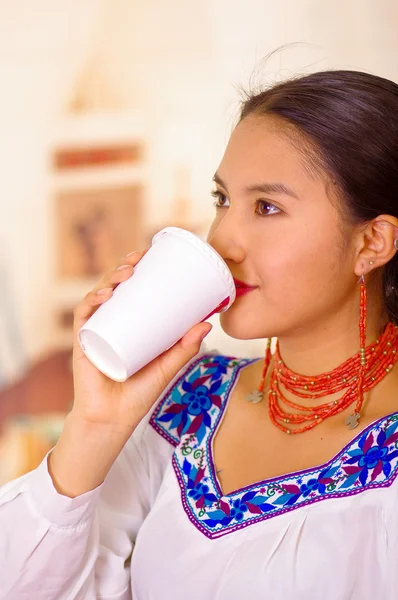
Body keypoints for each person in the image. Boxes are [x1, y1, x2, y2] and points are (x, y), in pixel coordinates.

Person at [1, 69, 398, 600]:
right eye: (223, 200)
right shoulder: (187, 402)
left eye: (267, 207)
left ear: (372, 241)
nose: (223, 240)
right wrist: (95, 423)